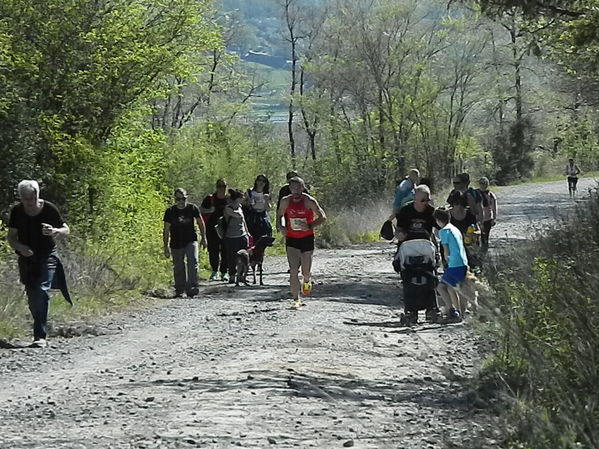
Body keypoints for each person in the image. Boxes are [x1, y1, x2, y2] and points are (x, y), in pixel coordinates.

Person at [7, 180, 71, 348]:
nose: (29, 202)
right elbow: (11, 237)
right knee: (32, 294)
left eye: (32, 197)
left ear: (37, 194)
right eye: (25, 198)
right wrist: (20, 247)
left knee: (42, 290)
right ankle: (40, 323)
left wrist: (55, 231)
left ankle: (39, 336)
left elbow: (66, 229)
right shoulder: (17, 212)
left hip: (47, 254)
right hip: (27, 257)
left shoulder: (49, 209)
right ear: (20, 197)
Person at [277, 177, 327, 308]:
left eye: (299, 187)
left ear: (303, 188)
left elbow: (323, 217)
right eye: (293, 187)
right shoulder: (285, 201)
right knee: (293, 270)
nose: (296, 190)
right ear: (290, 189)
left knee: (305, 271)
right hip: (292, 238)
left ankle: (307, 280)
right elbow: (280, 215)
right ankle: (296, 299)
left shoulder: (309, 201)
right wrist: (282, 227)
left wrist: (310, 226)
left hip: (307, 238)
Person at [163, 188, 207, 298]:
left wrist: (204, 237)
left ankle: (191, 287)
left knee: (193, 261)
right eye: (178, 199)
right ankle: (179, 289)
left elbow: (200, 223)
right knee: (178, 265)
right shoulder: (170, 212)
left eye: (183, 198)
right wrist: (165, 246)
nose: (181, 201)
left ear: (186, 197)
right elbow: (166, 229)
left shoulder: (192, 208)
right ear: (175, 199)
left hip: (190, 239)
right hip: (176, 242)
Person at [433, 207, 469, 324]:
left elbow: (446, 250)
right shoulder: (455, 229)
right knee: (450, 287)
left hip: (454, 264)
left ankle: (453, 311)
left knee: (442, 287)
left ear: (438, 220)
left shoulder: (444, 231)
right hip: (463, 262)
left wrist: (445, 263)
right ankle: (457, 312)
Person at [200, 178, 229, 281]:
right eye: (219, 186)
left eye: (224, 186)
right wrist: (209, 210)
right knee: (213, 249)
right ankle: (214, 271)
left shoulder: (229, 198)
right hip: (212, 228)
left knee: (226, 250)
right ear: (216, 187)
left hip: (226, 228)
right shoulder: (210, 198)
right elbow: (200, 210)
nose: (221, 188)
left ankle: (224, 272)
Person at [223, 189, 250, 284]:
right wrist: (237, 211)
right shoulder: (228, 208)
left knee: (244, 257)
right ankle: (232, 275)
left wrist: (247, 232)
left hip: (242, 235)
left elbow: (243, 221)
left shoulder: (240, 207)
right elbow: (237, 215)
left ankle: (241, 275)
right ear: (237, 198)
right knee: (232, 257)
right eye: (241, 197)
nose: (243, 199)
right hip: (231, 236)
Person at [244, 174, 273, 241]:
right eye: (259, 180)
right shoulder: (250, 191)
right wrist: (248, 202)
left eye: (263, 181)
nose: (261, 183)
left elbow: (268, 209)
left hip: (262, 216)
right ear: (256, 181)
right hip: (251, 215)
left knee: (265, 232)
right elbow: (243, 202)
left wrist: (266, 201)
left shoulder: (267, 194)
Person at [477, 177, 498, 252]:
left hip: (487, 219)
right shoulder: (475, 193)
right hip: (477, 219)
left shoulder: (491, 195)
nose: (483, 185)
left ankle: (484, 251)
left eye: (485, 183)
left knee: (485, 236)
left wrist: (494, 218)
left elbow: (494, 208)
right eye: (482, 183)